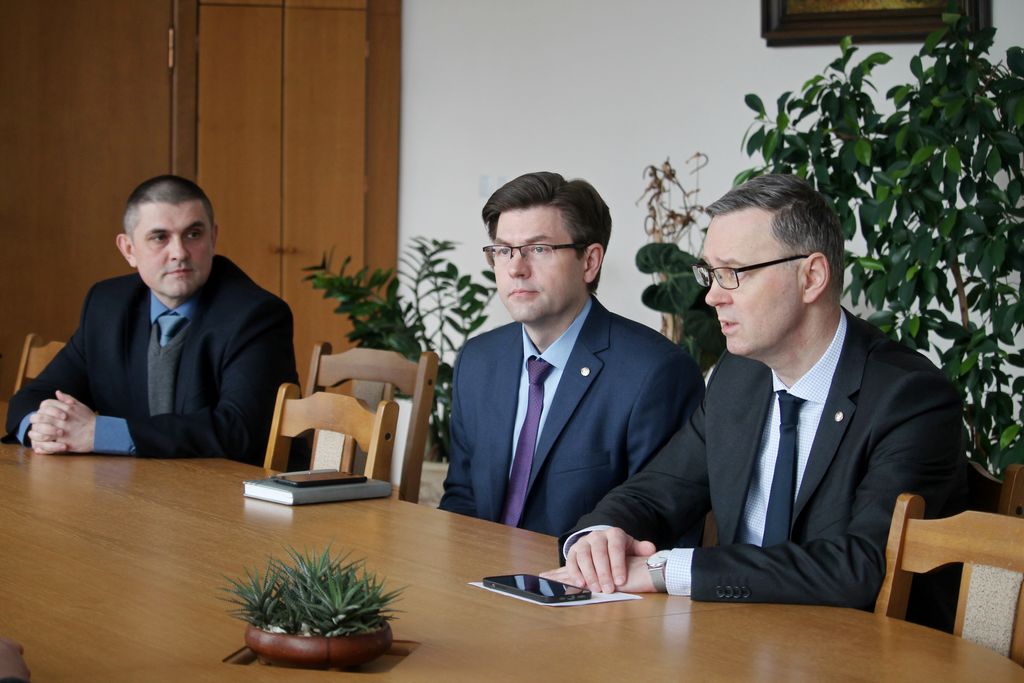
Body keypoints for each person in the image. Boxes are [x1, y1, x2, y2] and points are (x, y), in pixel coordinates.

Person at [543, 174, 966, 628]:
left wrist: (666, 570)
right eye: (710, 273)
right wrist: (601, 535)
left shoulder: (910, 398)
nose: (712, 296)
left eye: (733, 274)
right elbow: (658, 490)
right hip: (735, 637)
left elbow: (860, 566)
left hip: (858, 648)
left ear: (811, 277)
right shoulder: (738, 376)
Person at [440, 171, 704, 538]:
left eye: (539, 249)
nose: (516, 268)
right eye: (503, 251)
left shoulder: (656, 373)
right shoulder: (478, 360)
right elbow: (461, 499)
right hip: (479, 568)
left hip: (580, 575)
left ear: (590, 261)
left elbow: (657, 530)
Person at [5, 175, 298, 466]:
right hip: (132, 484)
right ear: (129, 249)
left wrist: (100, 434)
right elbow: (33, 397)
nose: (179, 253)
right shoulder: (107, 305)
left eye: (193, 234)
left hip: (227, 489)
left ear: (213, 238)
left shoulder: (256, 315)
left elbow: (239, 431)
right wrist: (43, 429)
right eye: (160, 237)